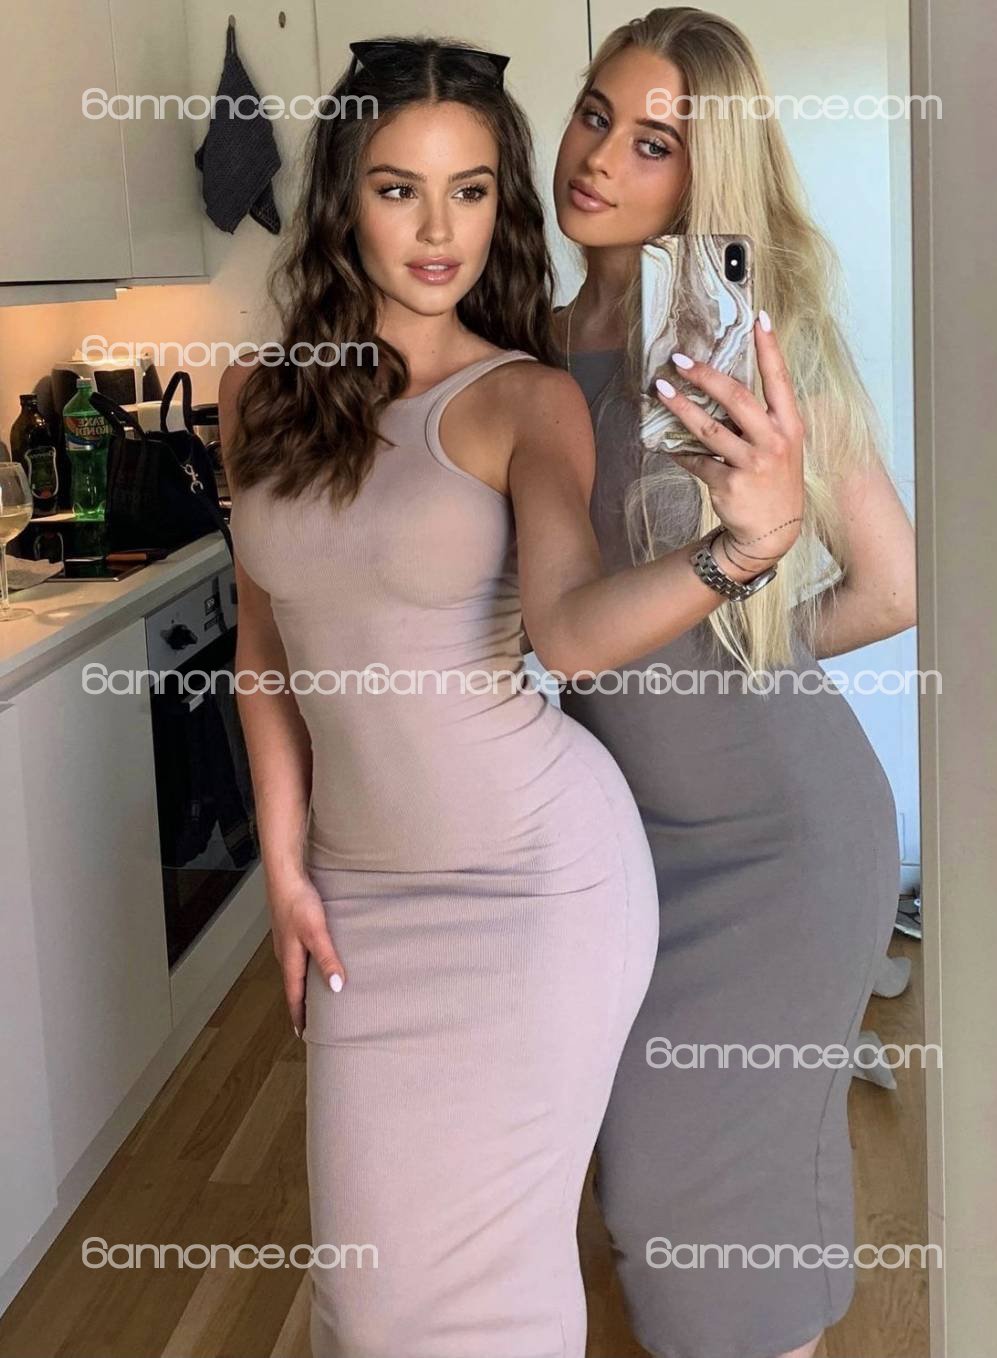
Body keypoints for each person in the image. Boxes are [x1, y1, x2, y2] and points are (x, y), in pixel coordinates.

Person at [219, 34, 803, 1358]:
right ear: (343, 198)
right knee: (367, 1297)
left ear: (504, 205)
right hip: (362, 894)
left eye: (472, 190)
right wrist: (288, 869)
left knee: (494, 1284)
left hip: (537, 888)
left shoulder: (526, 400)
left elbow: (572, 634)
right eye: (399, 188)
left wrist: (745, 548)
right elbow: (265, 649)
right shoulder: (257, 399)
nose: (439, 231)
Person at [551, 9, 917, 1358]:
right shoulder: (531, 345)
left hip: (782, 844)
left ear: (708, 175)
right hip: (626, 843)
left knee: (689, 1199)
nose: (600, 159)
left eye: (654, 144)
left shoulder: (758, 346)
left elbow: (895, 584)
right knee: (659, 1182)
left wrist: (741, 650)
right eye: (595, 115)